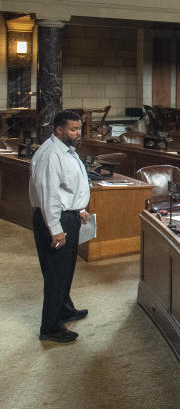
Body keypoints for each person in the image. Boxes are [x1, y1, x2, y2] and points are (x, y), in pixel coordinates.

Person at [29, 110, 92, 343]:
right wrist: (56, 229)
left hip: (68, 215)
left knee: (65, 270)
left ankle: (65, 310)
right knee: (56, 273)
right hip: (55, 219)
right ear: (58, 129)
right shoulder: (50, 155)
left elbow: (68, 189)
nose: (78, 133)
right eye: (73, 129)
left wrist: (79, 209)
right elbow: (49, 197)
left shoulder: (66, 150)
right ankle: (50, 327)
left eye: (79, 129)